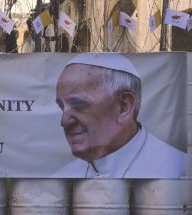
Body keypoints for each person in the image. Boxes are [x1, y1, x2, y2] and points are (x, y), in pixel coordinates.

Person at [53, 53, 186, 178]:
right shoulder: (61, 177)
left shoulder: (179, 170)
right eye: (62, 107)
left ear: (124, 107)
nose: (64, 121)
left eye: (78, 104)